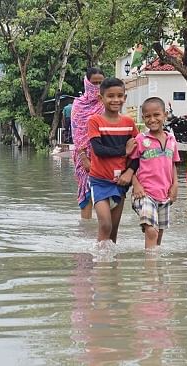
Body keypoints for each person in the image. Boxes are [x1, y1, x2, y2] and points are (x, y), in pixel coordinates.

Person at [87, 77, 139, 245]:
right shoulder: (95, 121)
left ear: (125, 97)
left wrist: (130, 172)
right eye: (110, 96)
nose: (115, 100)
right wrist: (123, 150)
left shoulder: (129, 123)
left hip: (121, 183)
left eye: (119, 96)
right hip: (99, 182)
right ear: (101, 98)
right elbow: (98, 150)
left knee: (114, 230)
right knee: (105, 225)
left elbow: (138, 153)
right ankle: (100, 262)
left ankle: (111, 268)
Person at [130, 97, 180, 249]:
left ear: (165, 115)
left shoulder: (171, 140)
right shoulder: (140, 139)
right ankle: (150, 272)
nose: (152, 119)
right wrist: (136, 184)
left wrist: (175, 185)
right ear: (143, 118)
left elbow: (172, 165)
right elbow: (130, 165)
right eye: (147, 116)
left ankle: (155, 268)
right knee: (152, 231)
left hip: (164, 195)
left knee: (158, 238)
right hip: (144, 194)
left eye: (156, 115)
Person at [71, 67, 105, 220]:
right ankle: (85, 227)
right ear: (87, 83)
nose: (97, 87)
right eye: (94, 83)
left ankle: (103, 227)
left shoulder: (107, 103)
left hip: (104, 152)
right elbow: (76, 132)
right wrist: (84, 157)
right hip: (83, 153)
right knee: (85, 190)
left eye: (100, 83)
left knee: (104, 191)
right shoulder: (78, 105)